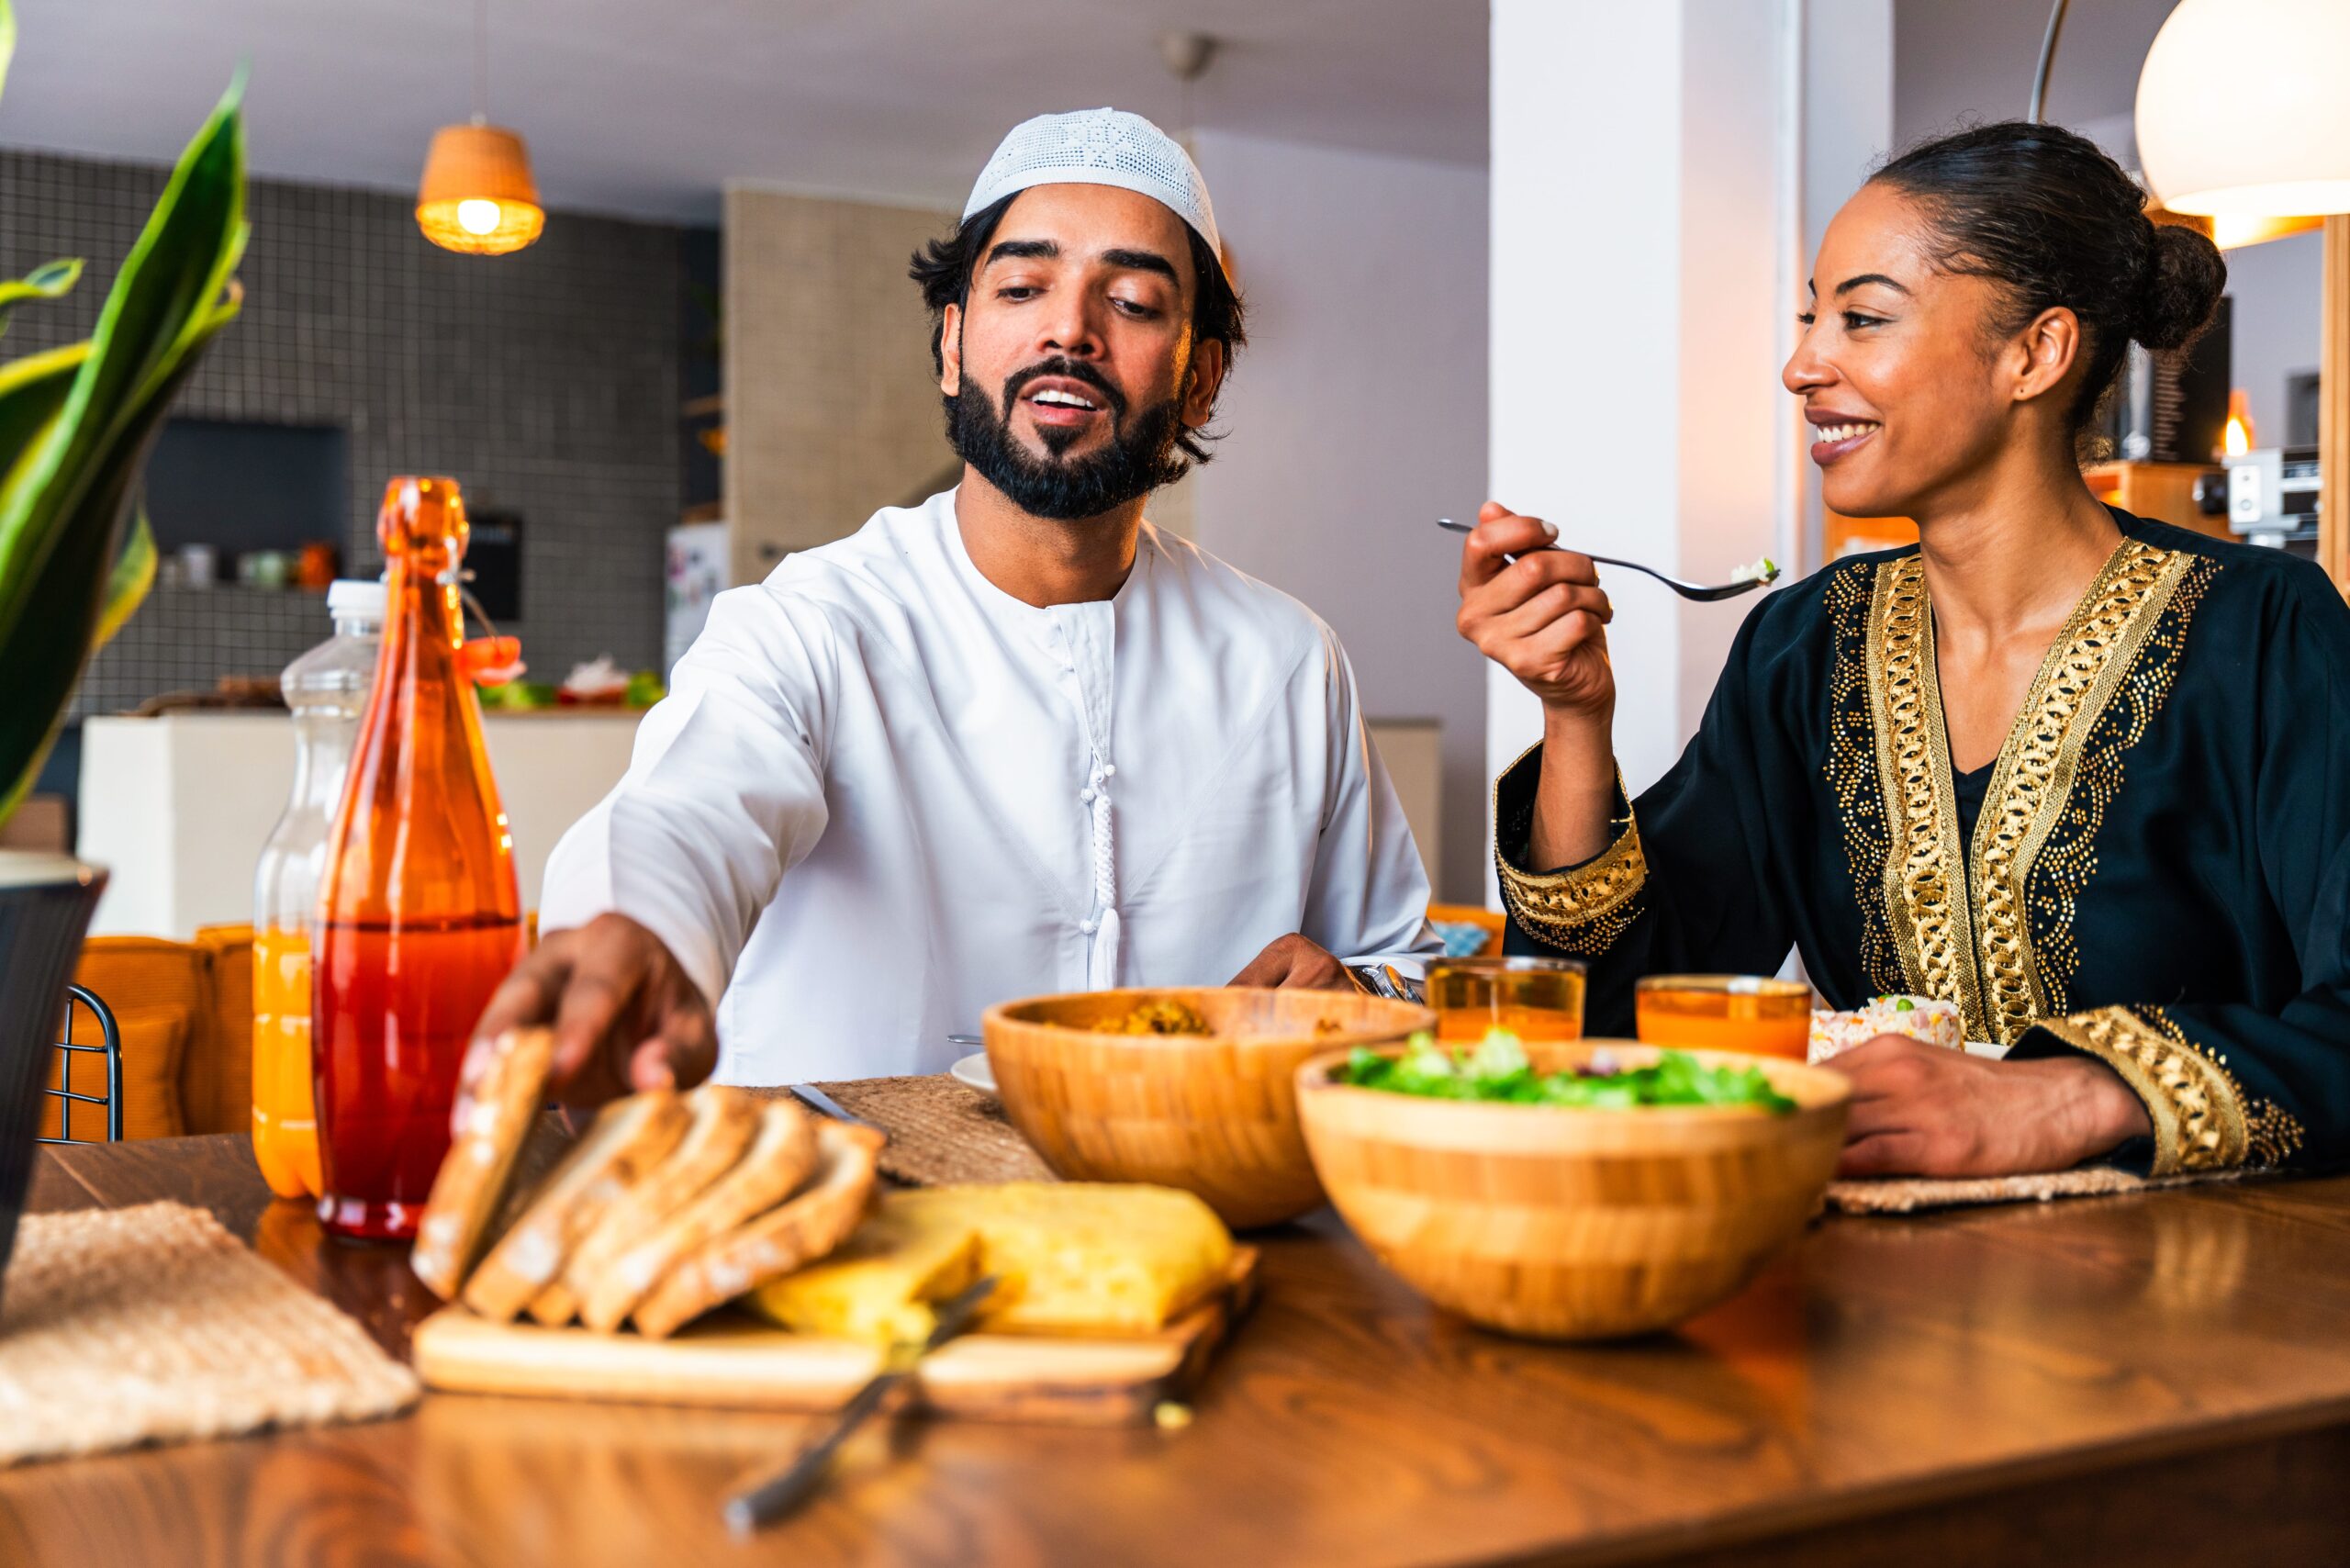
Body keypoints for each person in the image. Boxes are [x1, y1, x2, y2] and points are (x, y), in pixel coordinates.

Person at [480, 108, 1438, 1099]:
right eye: (1023, 287)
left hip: (1196, 1226)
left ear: (1199, 380)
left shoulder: (1284, 659)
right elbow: (687, 813)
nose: (1070, 328)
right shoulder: (813, 622)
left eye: (1136, 302)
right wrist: (631, 936)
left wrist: (1356, 987)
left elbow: (1402, 966)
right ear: (952, 345)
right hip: (853, 1225)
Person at [1458, 120, 2350, 1181]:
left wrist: (2065, 1096)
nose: (1800, 365)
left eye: (1862, 318)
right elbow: (1618, 1009)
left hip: (2204, 1300)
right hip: (1879, 1292)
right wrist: (1573, 714)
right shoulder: (1802, 647)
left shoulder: (2265, 632)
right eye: (1808, 319)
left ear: (2036, 352)